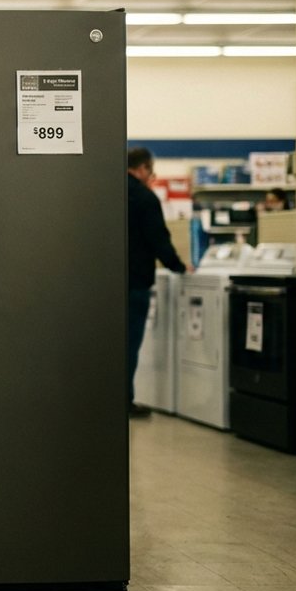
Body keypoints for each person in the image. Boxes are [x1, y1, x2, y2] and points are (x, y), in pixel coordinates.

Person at [127, 147, 190, 418]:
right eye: (150, 171)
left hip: (105, 284)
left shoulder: (106, 191)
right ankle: (123, 400)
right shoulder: (144, 197)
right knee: (128, 344)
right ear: (142, 168)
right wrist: (178, 266)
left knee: (108, 345)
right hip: (135, 282)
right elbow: (158, 239)